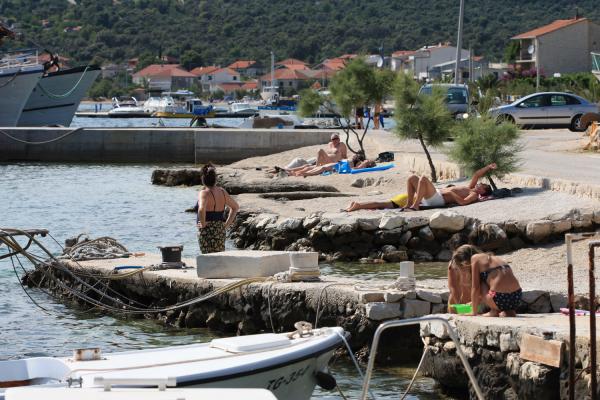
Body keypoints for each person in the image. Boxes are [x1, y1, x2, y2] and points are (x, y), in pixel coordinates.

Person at [345, 163, 496, 212]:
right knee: (412, 178)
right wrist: (488, 167)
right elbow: (476, 174)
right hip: (435, 194)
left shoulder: (474, 195)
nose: (478, 184)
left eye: (481, 185)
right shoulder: (470, 187)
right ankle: (410, 204)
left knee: (423, 178)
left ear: (483, 191)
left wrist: (451, 193)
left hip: (439, 199)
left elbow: (463, 203)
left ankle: (415, 206)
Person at [451, 244, 522, 317]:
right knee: (491, 283)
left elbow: (475, 288)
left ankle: (494, 310)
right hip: (516, 297)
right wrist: (475, 301)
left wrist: (473, 311)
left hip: (499, 298)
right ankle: (505, 310)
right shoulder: (494, 258)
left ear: (465, 262)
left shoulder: (475, 258)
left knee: (482, 283)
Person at [197, 163, 239, 254]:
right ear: (215, 179)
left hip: (207, 231)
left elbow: (201, 209)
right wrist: (226, 225)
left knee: (207, 257)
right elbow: (235, 207)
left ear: (203, 179)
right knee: (219, 257)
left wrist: (203, 224)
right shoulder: (222, 191)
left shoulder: (204, 193)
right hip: (220, 230)